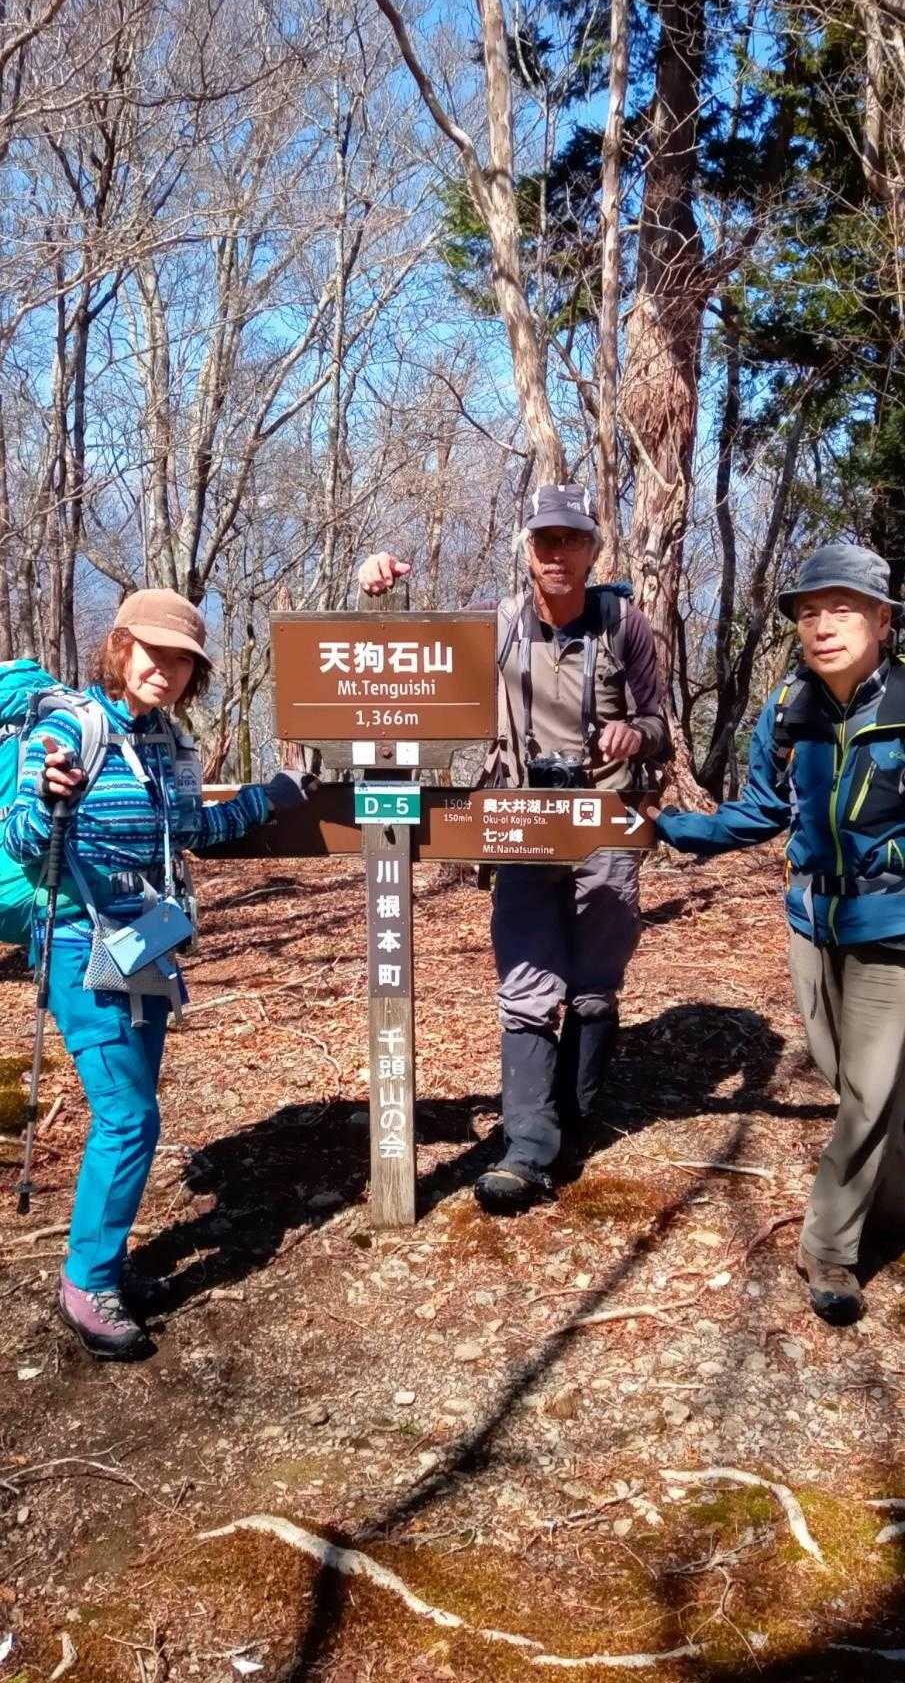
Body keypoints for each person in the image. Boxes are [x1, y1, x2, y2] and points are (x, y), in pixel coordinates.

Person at [4, 588, 312, 1359]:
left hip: (144, 940)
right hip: (77, 940)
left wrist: (266, 799)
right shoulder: (69, 726)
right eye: (154, 653)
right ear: (120, 647)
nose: (166, 670)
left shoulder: (168, 743)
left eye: (182, 661)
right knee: (128, 1116)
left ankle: (103, 1265)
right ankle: (87, 1282)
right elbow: (20, 837)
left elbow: (193, 830)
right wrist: (48, 795)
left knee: (136, 1113)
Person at [357, 482, 669, 1212]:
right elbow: (412, 664)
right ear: (527, 549)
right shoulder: (497, 624)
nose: (557, 552)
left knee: (593, 982)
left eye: (571, 539)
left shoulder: (624, 625)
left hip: (604, 822)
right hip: (518, 821)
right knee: (527, 985)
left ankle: (575, 1124)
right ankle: (526, 1149)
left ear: (593, 549)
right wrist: (378, 593)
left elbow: (662, 725)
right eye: (544, 539)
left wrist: (634, 734)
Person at [651, 543, 905, 1326]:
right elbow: (762, 810)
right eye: (808, 613)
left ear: (882, 622)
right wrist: (667, 828)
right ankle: (891, 1207)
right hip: (810, 922)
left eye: (841, 610)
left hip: (891, 925)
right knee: (853, 1085)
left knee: (868, 1093)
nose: (821, 626)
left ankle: (827, 1249)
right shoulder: (787, 708)